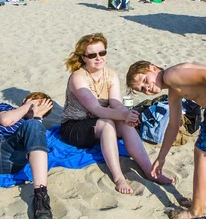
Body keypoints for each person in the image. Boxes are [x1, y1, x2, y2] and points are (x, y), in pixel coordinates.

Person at [125, 61, 206, 219]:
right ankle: (198, 203)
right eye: (142, 89)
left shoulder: (170, 75)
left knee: (202, 152)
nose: (147, 88)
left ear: (153, 68)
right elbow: (173, 125)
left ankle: (196, 210)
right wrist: (161, 157)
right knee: (203, 151)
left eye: (145, 81)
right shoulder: (173, 90)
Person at [61, 33, 175, 194]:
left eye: (102, 53)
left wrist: (128, 114)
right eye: (92, 55)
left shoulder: (111, 74)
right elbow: (96, 109)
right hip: (74, 125)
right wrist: (123, 115)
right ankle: (118, 177)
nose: (99, 58)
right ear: (83, 58)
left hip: (100, 120)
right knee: (107, 124)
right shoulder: (78, 78)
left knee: (125, 123)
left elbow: (115, 102)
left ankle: (149, 171)